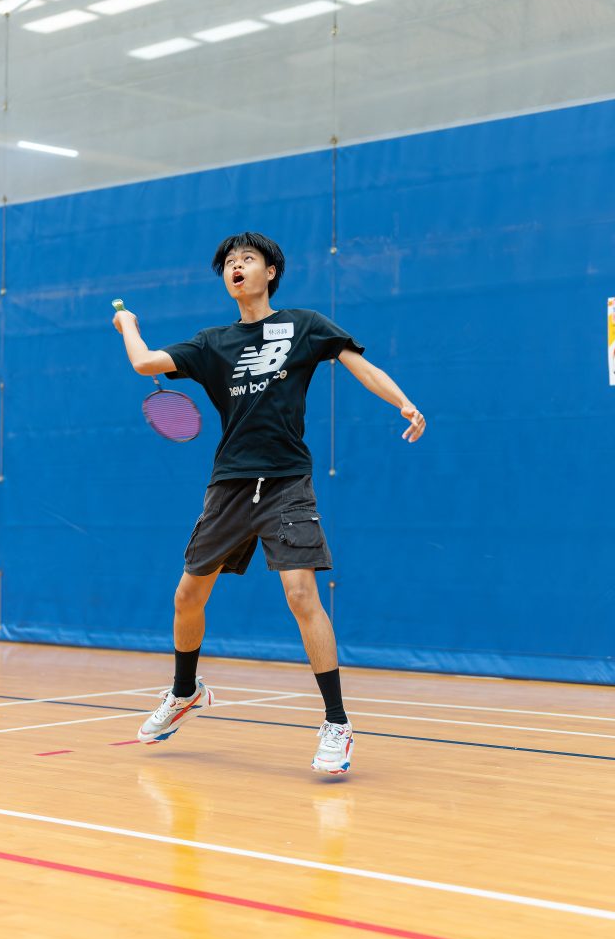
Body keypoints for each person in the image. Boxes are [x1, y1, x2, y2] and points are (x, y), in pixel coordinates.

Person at [113, 232, 425, 775]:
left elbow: (358, 364)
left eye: (247, 259)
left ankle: (337, 723)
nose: (236, 268)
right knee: (187, 596)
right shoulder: (212, 343)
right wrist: (128, 325)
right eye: (229, 263)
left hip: (285, 482)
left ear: (270, 271)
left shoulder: (304, 325)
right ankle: (185, 692)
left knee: (302, 595)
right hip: (230, 485)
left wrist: (403, 402)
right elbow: (144, 364)